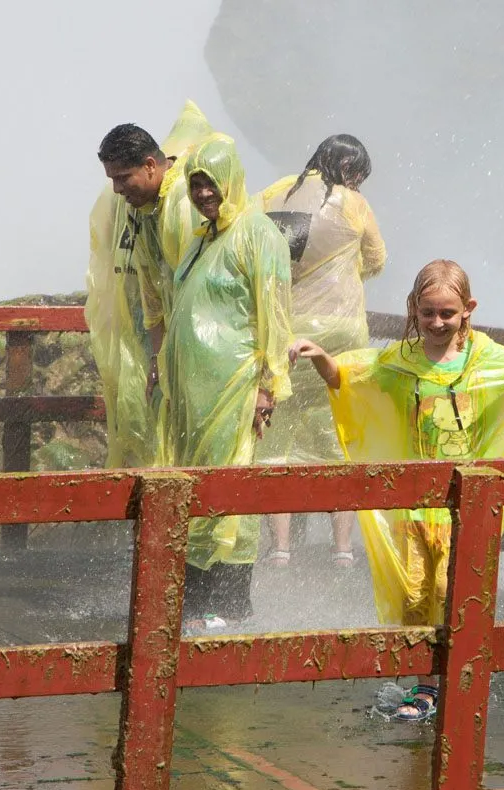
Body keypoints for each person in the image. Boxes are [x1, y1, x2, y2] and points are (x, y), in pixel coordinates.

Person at [289, 259, 504, 720]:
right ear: (414, 310)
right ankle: (426, 687)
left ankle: (456, 677)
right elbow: (348, 379)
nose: (437, 323)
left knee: (454, 589)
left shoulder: (488, 360)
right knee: (417, 595)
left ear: (468, 309)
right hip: (416, 504)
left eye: (447, 314)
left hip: (468, 504)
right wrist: (320, 355)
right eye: (428, 314)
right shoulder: (400, 361)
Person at [157, 134, 293, 632]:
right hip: (194, 393)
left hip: (235, 388)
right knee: (195, 490)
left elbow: (274, 315)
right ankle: (193, 600)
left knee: (231, 491)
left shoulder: (259, 234)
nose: (203, 194)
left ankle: (229, 604)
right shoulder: (200, 239)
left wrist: (268, 384)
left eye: (210, 184)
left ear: (231, 180)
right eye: (195, 185)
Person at [256, 134, 387, 567]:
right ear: (351, 172)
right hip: (341, 333)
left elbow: (257, 254)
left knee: (278, 434)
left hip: (285, 330)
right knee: (338, 432)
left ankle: (279, 548)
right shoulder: (353, 203)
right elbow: (377, 259)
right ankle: (343, 550)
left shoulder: (274, 193)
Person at [86, 101, 213, 467]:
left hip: (203, 342)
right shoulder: (140, 208)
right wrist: (159, 357)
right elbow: (152, 292)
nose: (117, 188)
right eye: (111, 179)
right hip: (172, 344)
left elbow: (199, 288)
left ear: (151, 165)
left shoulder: (184, 203)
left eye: (123, 178)